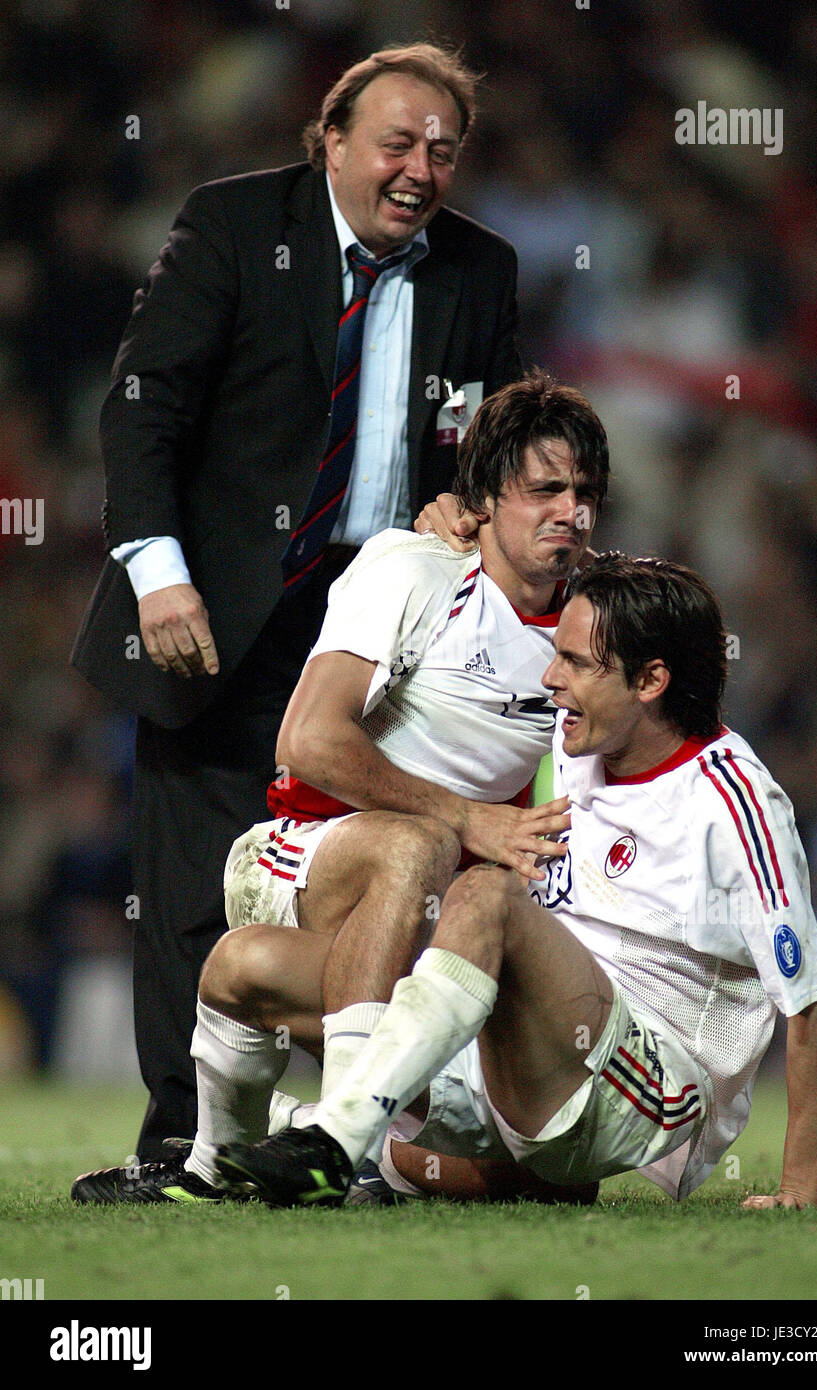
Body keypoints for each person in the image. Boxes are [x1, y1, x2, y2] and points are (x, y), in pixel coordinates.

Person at [70, 43, 523, 1160]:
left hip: (378, 637)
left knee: (383, 882)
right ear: (328, 139)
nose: (419, 167)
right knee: (190, 890)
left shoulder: (481, 269)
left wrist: (463, 500)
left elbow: (491, 436)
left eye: (442, 150)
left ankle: (350, 1137)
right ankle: (185, 1145)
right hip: (217, 618)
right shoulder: (231, 227)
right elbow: (141, 409)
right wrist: (158, 575)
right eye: (395, 141)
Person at [70, 373, 610, 1205]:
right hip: (312, 853)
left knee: (241, 967)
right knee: (418, 843)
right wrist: (473, 819)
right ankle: (345, 1151)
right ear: (484, 497)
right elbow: (308, 740)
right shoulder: (412, 570)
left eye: (583, 491)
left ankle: (216, 1162)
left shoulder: (599, 619)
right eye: (543, 490)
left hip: (447, 917)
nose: (568, 510)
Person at [212, 554, 817, 1210]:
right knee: (252, 963)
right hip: (530, 1058)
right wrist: (464, 528)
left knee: (488, 895)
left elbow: (813, 1010)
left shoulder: (733, 801)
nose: (550, 679)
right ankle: (230, 1153)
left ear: (651, 679)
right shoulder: (577, 752)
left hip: (639, 1084)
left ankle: (337, 1140)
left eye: (574, 663)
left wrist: (796, 1192)